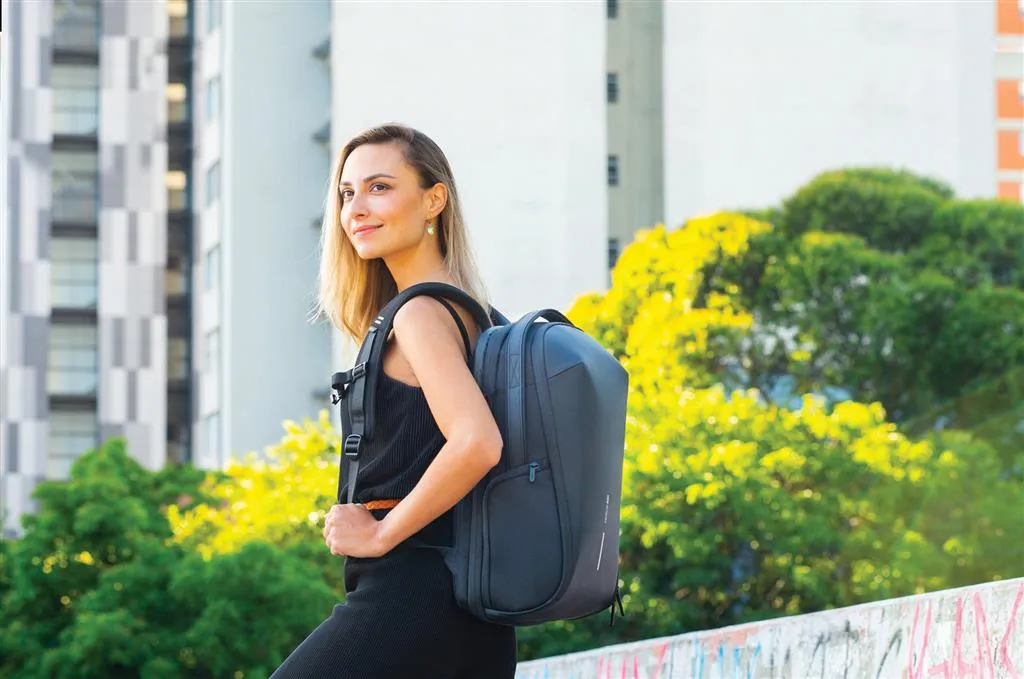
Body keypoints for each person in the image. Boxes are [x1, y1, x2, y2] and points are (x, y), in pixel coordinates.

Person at [270, 124, 517, 678]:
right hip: (472, 604)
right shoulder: (475, 313)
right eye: (347, 193)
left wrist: (380, 532)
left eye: (379, 187)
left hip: (414, 594)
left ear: (434, 200)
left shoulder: (420, 314)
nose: (356, 208)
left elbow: (477, 442)